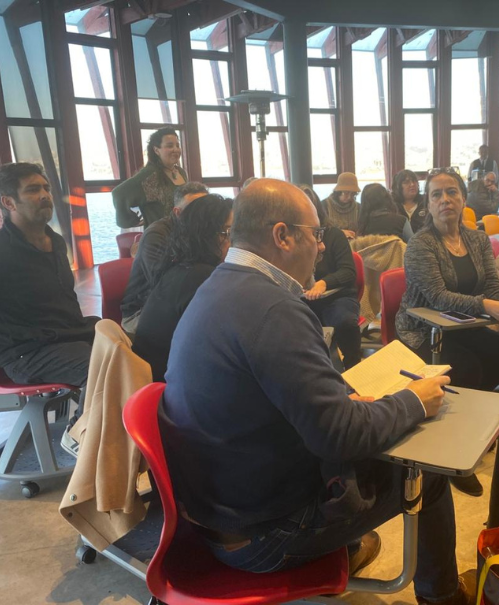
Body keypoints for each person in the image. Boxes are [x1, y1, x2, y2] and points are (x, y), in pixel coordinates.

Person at [159, 179, 476, 605]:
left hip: (217, 512)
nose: (322, 246)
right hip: (262, 535)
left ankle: (346, 546)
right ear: (282, 236)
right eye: (316, 233)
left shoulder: (219, 286)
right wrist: (414, 401)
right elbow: (339, 436)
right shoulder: (274, 309)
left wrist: (341, 404)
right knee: (429, 475)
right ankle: (444, 598)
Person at [395, 167, 499, 496]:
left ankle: (468, 422)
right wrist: (486, 305)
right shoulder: (420, 245)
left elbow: (492, 285)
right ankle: (451, 453)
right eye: (436, 194)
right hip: (422, 330)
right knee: (467, 369)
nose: (445, 199)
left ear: (463, 198)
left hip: (462, 326)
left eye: (452, 192)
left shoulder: (476, 239)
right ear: (428, 205)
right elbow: (438, 297)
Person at [0, 162, 99, 457]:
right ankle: (79, 435)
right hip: (27, 352)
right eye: (32, 190)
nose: (44, 195)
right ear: (8, 202)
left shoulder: (55, 242)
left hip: (67, 337)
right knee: (104, 367)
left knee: (142, 348)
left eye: (46, 188)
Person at [132, 194, 233, 382]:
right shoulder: (202, 277)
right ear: (205, 234)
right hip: (167, 385)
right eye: (227, 232)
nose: (233, 241)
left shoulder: (181, 266)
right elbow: (224, 342)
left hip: (151, 376)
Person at [120, 182, 209, 334]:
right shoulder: (157, 235)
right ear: (178, 212)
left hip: (182, 304)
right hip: (141, 312)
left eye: (205, 209)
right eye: (194, 209)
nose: (201, 214)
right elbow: (164, 286)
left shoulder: (202, 232)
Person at [300, 185, 362, 369]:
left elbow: (348, 272)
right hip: (303, 298)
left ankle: (353, 367)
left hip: (337, 296)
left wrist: (324, 283)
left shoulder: (333, 235)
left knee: (345, 322)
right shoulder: (291, 239)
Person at [113, 128, 188, 228]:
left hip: (184, 232)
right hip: (160, 235)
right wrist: (130, 220)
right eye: (170, 146)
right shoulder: (150, 175)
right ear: (156, 150)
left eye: (177, 146)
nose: (176, 149)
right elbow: (119, 193)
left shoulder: (181, 172)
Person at [323, 172, 361, 239]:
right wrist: (340, 233)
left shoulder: (358, 208)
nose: (349, 197)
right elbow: (321, 230)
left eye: (353, 194)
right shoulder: (324, 206)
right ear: (338, 192)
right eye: (346, 193)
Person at [392, 169, 428, 233]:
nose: (412, 184)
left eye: (414, 181)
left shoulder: (426, 202)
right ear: (398, 186)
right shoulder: (392, 205)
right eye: (406, 182)